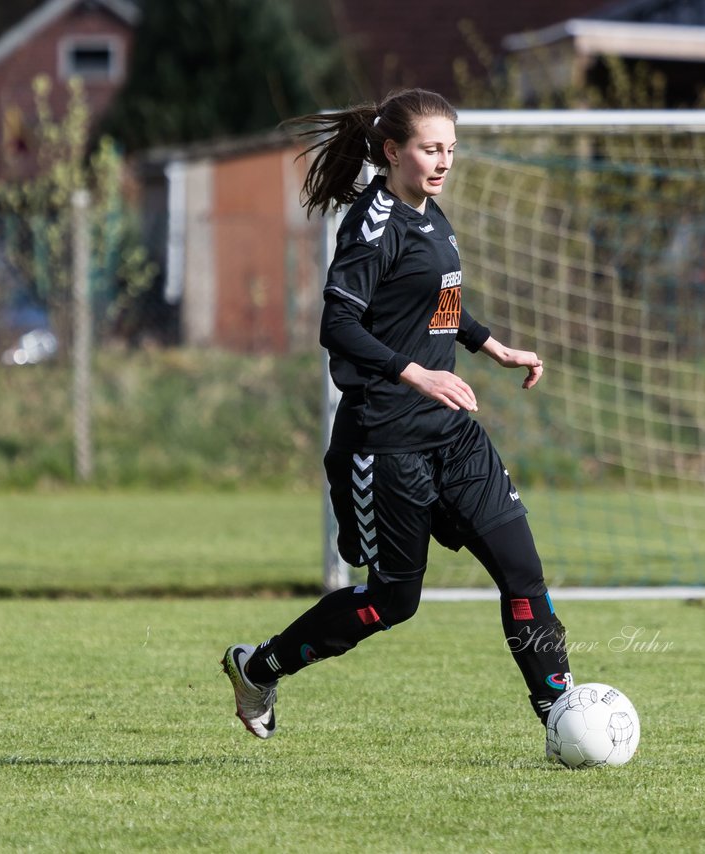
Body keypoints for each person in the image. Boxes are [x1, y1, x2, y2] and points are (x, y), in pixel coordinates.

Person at [221, 88, 573, 743]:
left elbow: (433, 300)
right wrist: (415, 372)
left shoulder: (430, 213)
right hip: (386, 442)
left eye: (450, 150)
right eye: (429, 149)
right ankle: (258, 667)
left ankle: (561, 712)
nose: (443, 161)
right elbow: (339, 323)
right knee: (392, 602)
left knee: (521, 569)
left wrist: (487, 344)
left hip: (453, 437)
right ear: (392, 151)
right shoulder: (372, 222)